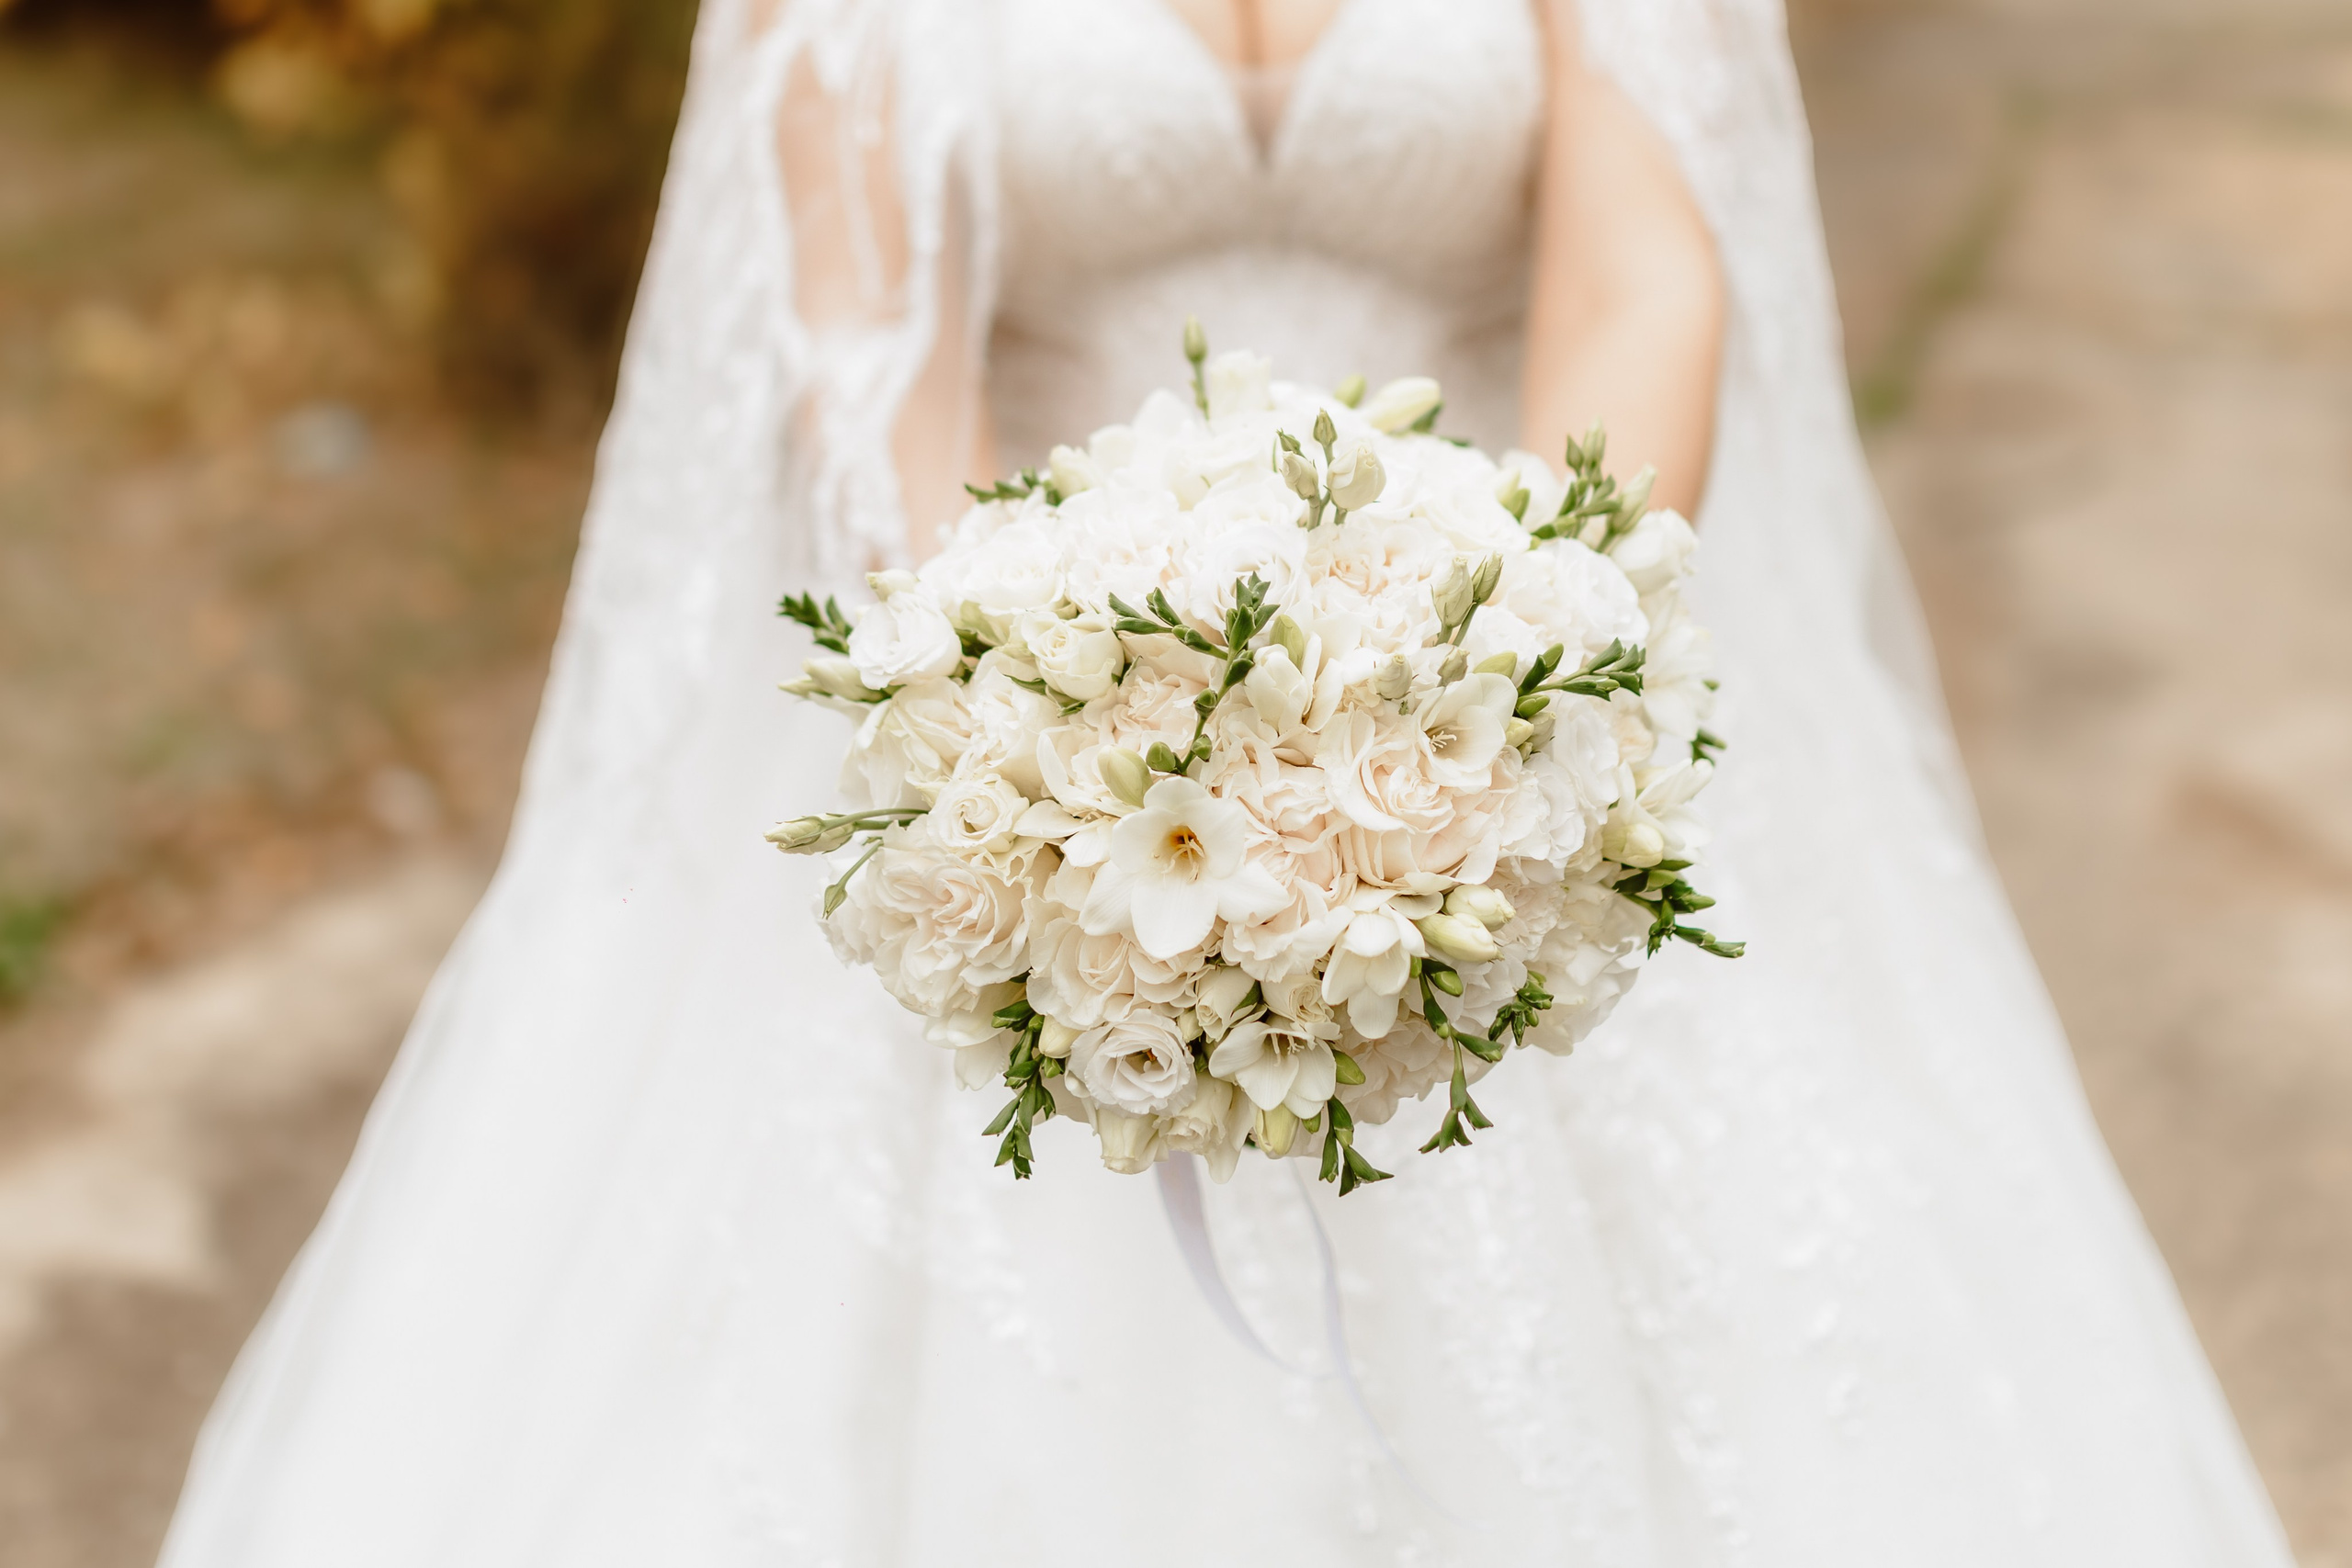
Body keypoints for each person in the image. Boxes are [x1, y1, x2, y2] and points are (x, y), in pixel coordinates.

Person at [157, 1, 2299, 1562]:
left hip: (1477, 727)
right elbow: (861, 347)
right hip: (1037, 711)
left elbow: (1645, 272)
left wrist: (1508, 666)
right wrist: (1032, 733)